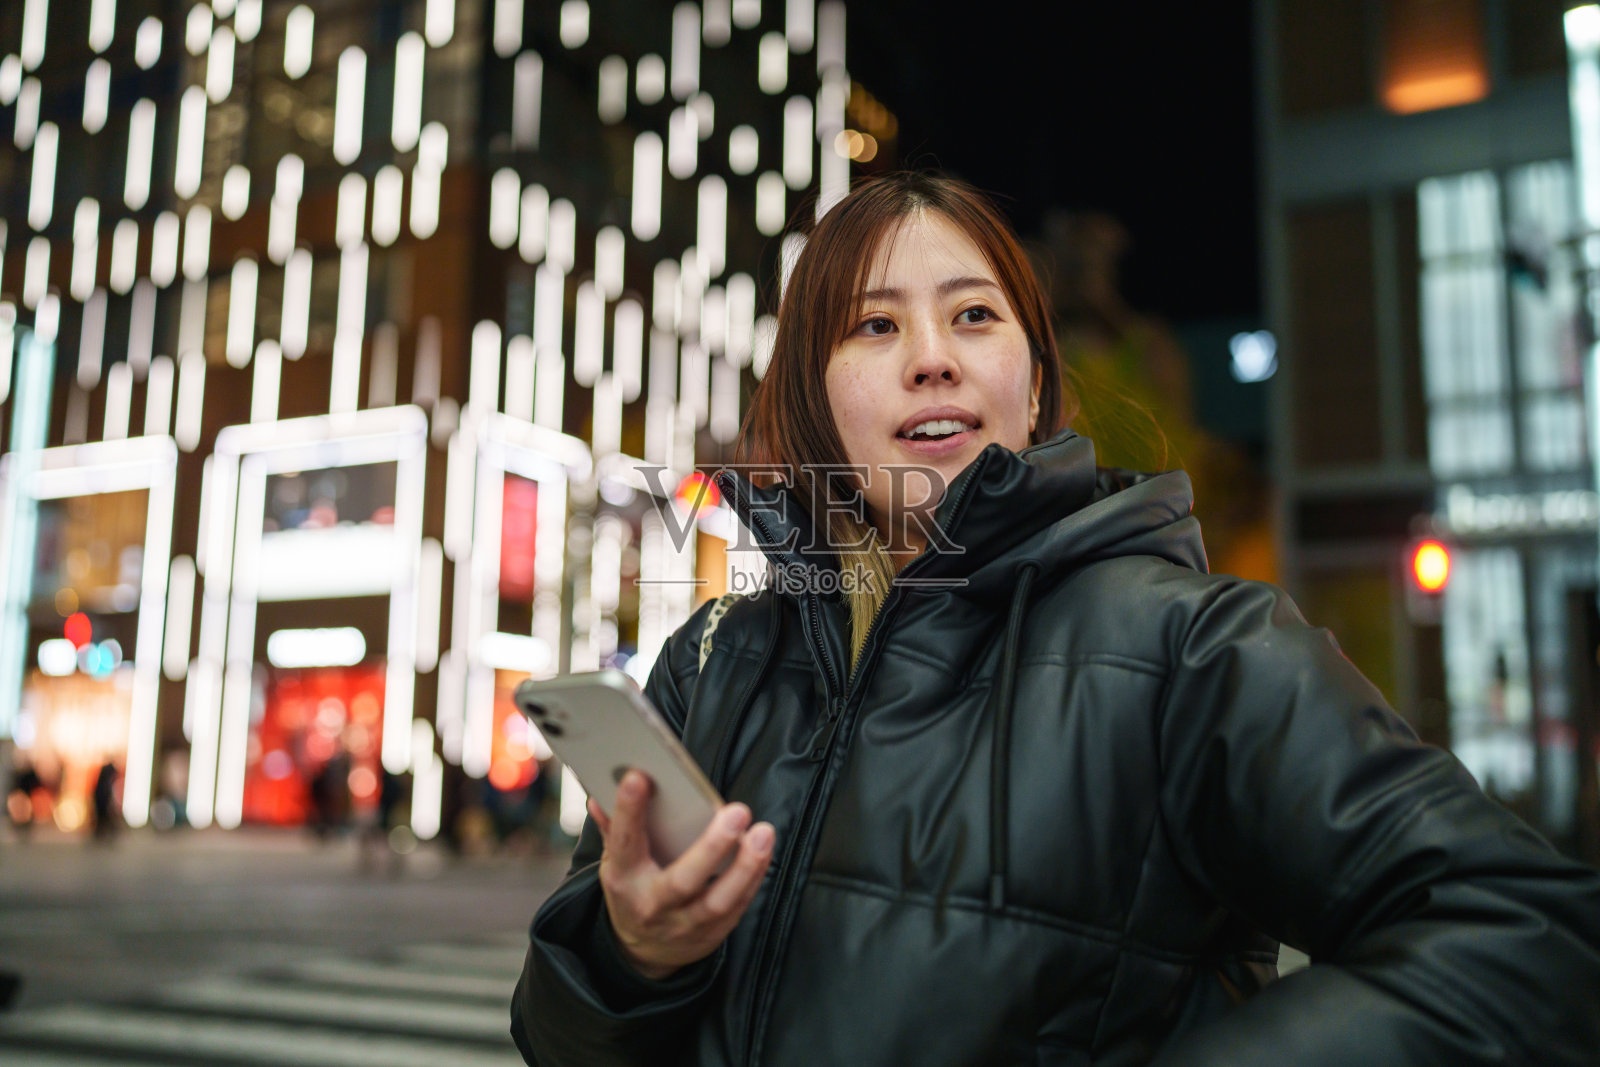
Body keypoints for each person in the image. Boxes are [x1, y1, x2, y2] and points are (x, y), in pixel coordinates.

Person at [509, 173, 1600, 1065]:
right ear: (814, 396)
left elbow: (1529, 936)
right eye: (873, 324)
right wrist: (632, 953)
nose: (931, 353)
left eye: (973, 314)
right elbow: (556, 1034)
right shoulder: (712, 663)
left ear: (1029, 382)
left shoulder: (1196, 648)